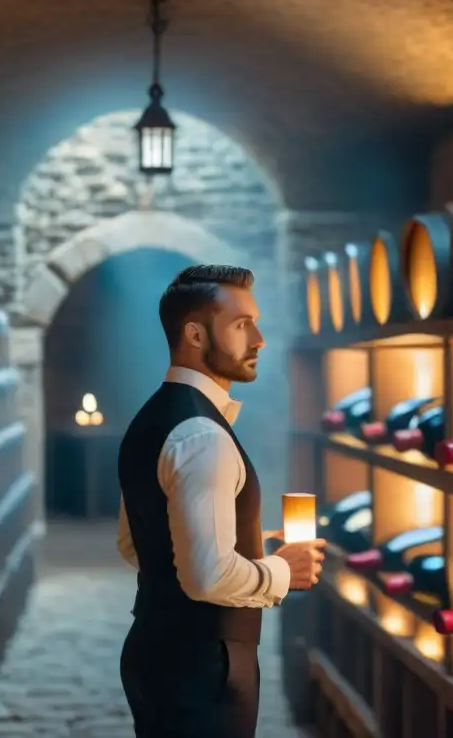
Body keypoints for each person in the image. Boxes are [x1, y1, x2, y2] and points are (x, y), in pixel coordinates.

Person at [116, 264, 326, 737]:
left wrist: (253, 544)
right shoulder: (202, 437)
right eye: (240, 325)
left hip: (156, 651)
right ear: (194, 333)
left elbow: (136, 544)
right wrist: (281, 571)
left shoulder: (151, 418)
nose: (259, 339)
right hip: (205, 665)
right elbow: (207, 577)